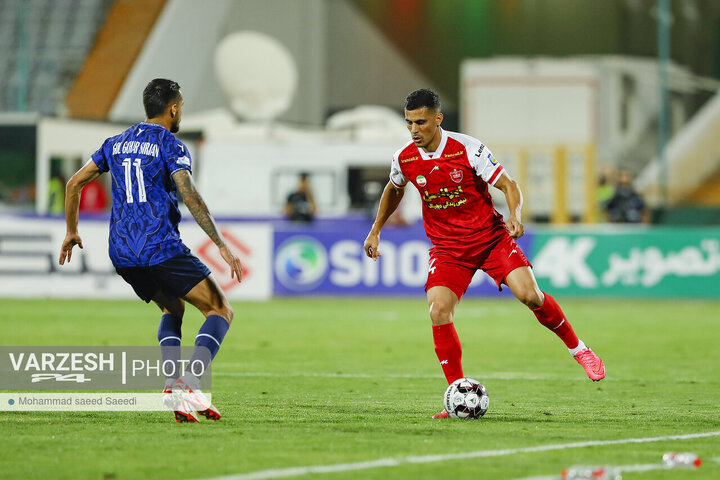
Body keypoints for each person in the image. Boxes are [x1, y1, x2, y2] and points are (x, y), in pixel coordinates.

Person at [363, 89, 605, 419]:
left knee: (530, 295)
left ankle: (580, 350)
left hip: (490, 239)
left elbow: (507, 184)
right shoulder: (404, 157)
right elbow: (394, 188)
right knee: (438, 310)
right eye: (409, 123)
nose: (414, 129)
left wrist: (515, 214)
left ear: (438, 119)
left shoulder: (468, 148)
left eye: (420, 122)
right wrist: (376, 229)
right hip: (448, 250)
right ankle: (456, 394)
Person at [58, 79, 244, 423]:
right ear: (173, 108)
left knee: (171, 308)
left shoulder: (114, 143)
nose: (181, 113)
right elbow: (189, 196)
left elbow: (74, 183)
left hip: (123, 252)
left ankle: (173, 386)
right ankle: (189, 383)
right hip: (159, 245)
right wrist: (220, 244)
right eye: (182, 107)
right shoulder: (170, 144)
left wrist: (71, 230)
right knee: (220, 308)